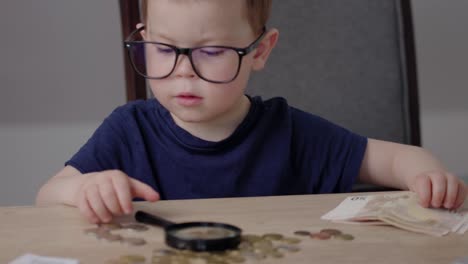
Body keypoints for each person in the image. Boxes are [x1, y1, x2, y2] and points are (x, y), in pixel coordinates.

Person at [36, 0, 466, 224]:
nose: (183, 71)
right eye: (164, 49)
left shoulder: (292, 133)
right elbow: (46, 196)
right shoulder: (128, 129)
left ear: (260, 50)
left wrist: (427, 176)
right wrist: (85, 189)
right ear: (144, 39)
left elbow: (397, 159)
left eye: (212, 52)